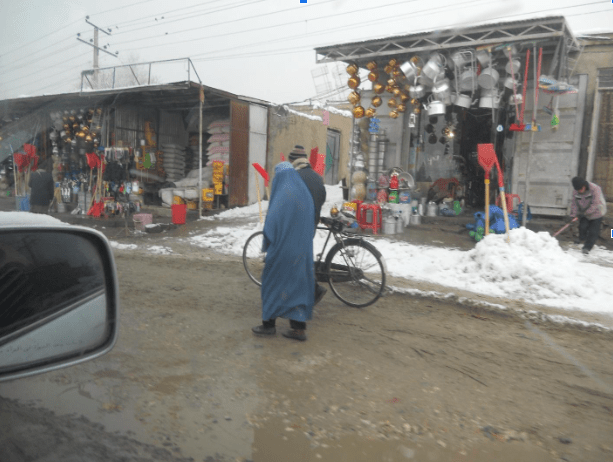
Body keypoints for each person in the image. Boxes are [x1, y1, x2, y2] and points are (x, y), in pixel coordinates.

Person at [252, 162, 315, 341]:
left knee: (272, 283)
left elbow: (271, 225)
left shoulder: (282, 195)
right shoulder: (304, 193)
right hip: (302, 251)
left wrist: (267, 244)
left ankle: (268, 325)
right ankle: (298, 329)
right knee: (299, 288)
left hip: (282, 250)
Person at [288, 145, 328, 305]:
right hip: (312, 224)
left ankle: (314, 289)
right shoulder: (317, 177)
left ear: (293, 161)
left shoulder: (294, 177)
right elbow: (322, 197)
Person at [569, 176, 606, 255]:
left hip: (597, 212)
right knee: (582, 227)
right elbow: (574, 204)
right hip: (584, 212)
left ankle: (587, 247)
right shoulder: (576, 191)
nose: (580, 191)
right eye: (578, 189)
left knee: (593, 231)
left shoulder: (595, 189)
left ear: (584, 185)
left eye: (581, 189)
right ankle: (582, 238)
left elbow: (595, 203)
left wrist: (585, 213)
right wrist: (573, 215)